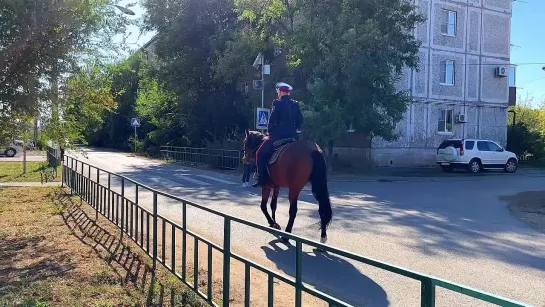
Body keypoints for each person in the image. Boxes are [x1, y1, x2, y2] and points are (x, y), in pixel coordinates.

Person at [253, 82, 303, 188]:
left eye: (278, 92)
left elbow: (272, 120)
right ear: (288, 93)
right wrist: (296, 130)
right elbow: (300, 121)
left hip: (278, 135)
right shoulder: (295, 105)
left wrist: (270, 131)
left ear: (280, 92)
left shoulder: (277, 103)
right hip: (292, 135)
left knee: (260, 153)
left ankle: (261, 177)